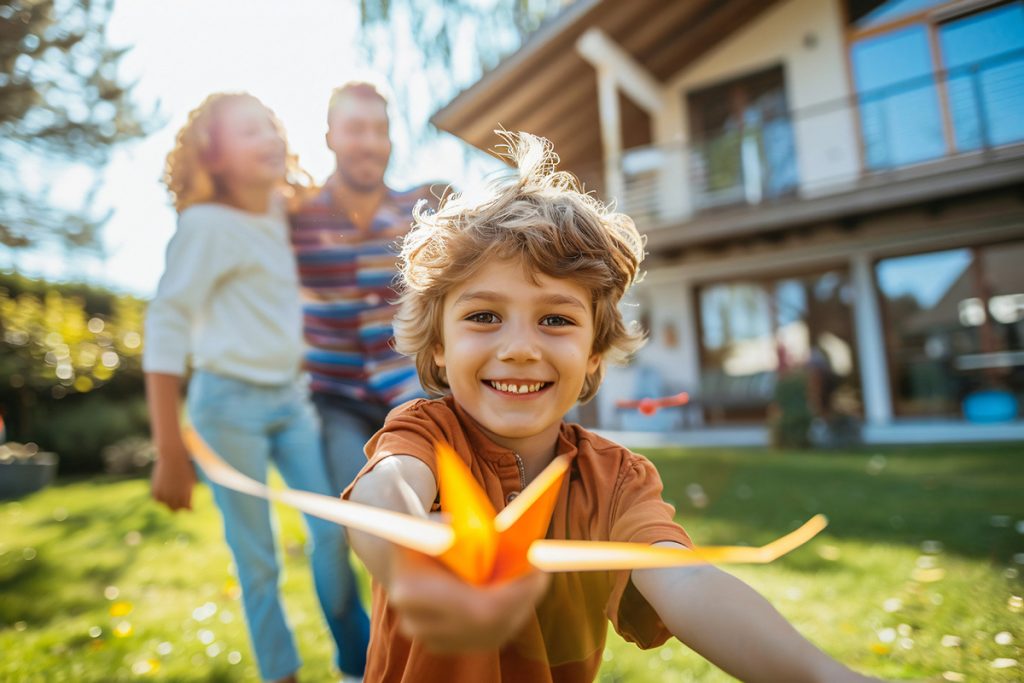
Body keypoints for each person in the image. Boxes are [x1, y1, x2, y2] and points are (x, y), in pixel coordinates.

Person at [343, 133, 881, 682]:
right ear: (438, 344)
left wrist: (822, 677)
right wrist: (414, 565)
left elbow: (686, 582)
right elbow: (386, 491)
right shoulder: (426, 434)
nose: (520, 348)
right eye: (484, 316)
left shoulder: (616, 481)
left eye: (556, 319)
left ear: (595, 354)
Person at [143, 93, 366, 683]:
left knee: (332, 531)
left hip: (292, 401)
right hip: (226, 405)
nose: (268, 137)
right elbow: (164, 327)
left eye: (271, 125)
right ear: (213, 156)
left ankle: (358, 666)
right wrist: (169, 450)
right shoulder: (204, 226)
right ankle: (281, 674)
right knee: (257, 559)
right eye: (248, 131)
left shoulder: (280, 208)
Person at [289, 81, 441, 498]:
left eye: (380, 129)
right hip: (335, 397)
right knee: (360, 506)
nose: (371, 143)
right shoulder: (297, 213)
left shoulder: (422, 211)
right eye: (356, 129)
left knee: (431, 505)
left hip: (414, 387)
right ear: (329, 137)